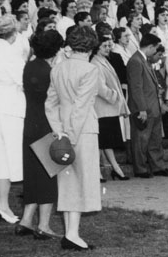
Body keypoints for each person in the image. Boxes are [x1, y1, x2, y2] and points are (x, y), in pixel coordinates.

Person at [43, 25, 101, 251]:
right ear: (91, 45)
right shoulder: (89, 69)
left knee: (67, 183)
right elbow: (81, 106)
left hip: (62, 132)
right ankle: (72, 234)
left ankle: (70, 233)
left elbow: (50, 104)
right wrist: (71, 137)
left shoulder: (58, 68)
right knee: (81, 183)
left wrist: (59, 132)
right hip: (82, 131)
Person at [16, 30, 64, 239]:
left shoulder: (29, 66)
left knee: (32, 174)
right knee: (47, 175)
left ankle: (26, 220)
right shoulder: (50, 72)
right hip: (46, 125)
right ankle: (43, 224)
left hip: (30, 124)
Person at [0, 14, 26, 224]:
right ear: (13, 34)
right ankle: (3, 205)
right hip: (10, 108)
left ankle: (2, 206)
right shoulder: (10, 53)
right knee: (9, 158)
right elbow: (22, 79)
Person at [127, 33, 168, 178]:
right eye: (155, 48)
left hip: (153, 107)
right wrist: (141, 108)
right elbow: (136, 87)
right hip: (144, 108)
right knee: (141, 140)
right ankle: (140, 168)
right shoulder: (136, 61)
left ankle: (157, 166)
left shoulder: (144, 60)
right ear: (150, 46)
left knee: (155, 140)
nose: (155, 52)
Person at [92, 33, 130, 182]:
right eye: (105, 46)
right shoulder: (96, 63)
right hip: (102, 108)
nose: (108, 48)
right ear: (97, 47)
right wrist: (114, 95)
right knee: (101, 142)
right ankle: (101, 171)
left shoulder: (104, 61)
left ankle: (115, 168)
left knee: (106, 142)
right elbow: (100, 87)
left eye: (109, 46)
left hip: (108, 108)